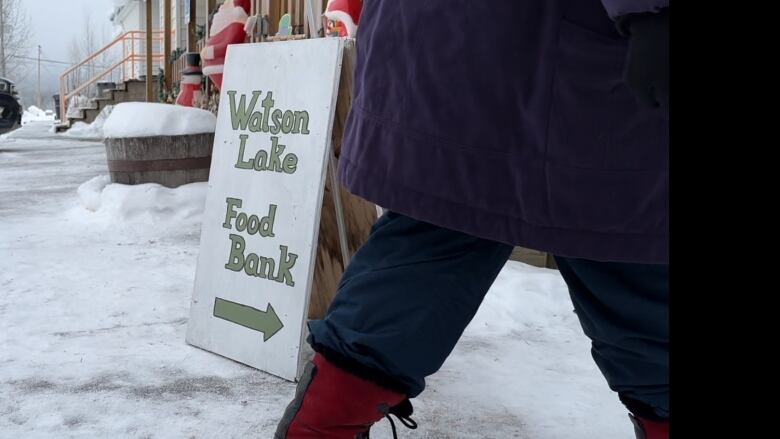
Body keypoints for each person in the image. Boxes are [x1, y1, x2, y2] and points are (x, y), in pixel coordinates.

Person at [275, 0, 669, 437]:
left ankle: (320, 426)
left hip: (442, 49)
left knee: (426, 253)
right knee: (637, 277)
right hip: (557, 57)